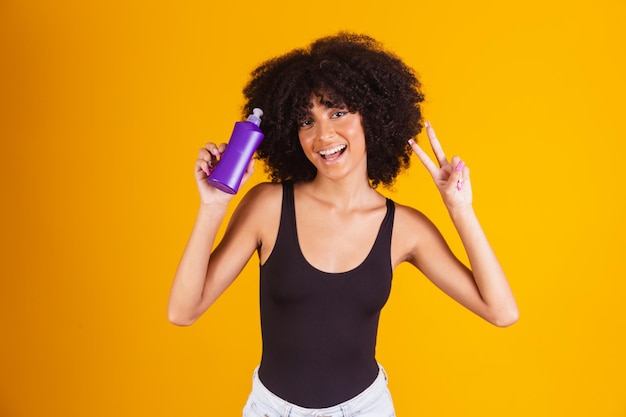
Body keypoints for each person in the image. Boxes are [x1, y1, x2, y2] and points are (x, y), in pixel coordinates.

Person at [168, 32, 518, 416]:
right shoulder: (269, 206)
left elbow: (501, 312)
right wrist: (213, 205)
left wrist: (459, 209)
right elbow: (182, 312)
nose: (323, 135)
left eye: (338, 112)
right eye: (307, 120)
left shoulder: (404, 228)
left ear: (372, 114)